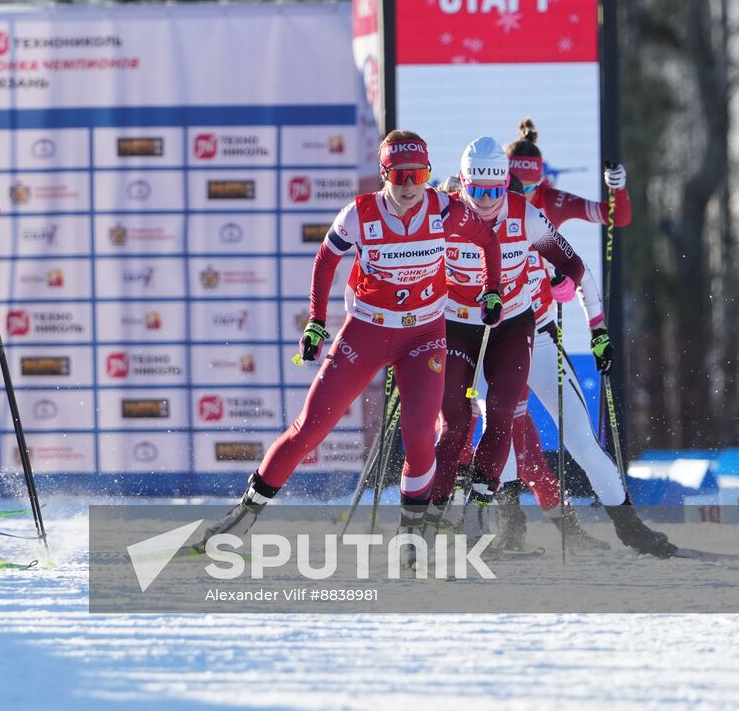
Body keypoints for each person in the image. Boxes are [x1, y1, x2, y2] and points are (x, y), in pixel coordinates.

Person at [202, 131, 504, 546]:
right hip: (368, 331)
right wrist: (316, 322)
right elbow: (326, 261)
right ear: (384, 174)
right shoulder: (359, 214)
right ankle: (242, 516)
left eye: (419, 174)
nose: (410, 185)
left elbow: (488, 239)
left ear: (429, 173)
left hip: (424, 334)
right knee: (310, 428)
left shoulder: (444, 208)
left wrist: (492, 289)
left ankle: (412, 540)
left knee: (419, 435)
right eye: (400, 176)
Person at [498, 119, 674, 556]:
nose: (522, 192)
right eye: (512, 183)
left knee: (578, 439)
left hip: (538, 329)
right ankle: (504, 526)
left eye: (531, 181)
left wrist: (617, 189)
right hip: (492, 342)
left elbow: (606, 233)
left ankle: (627, 526)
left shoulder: (545, 209)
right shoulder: (483, 209)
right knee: (499, 432)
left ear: (543, 177)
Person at [427, 136, 590, 542]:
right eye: (476, 191)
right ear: (461, 184)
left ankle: (479, 507)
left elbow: (572, 261)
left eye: (494, 191)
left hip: (512, 324)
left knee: (502, 411)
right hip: (457, 326)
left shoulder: (525, 214)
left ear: (505, 185)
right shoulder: (440, 213)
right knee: (456, 422)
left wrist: (566, 283)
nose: (485, 201)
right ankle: (432, 511)